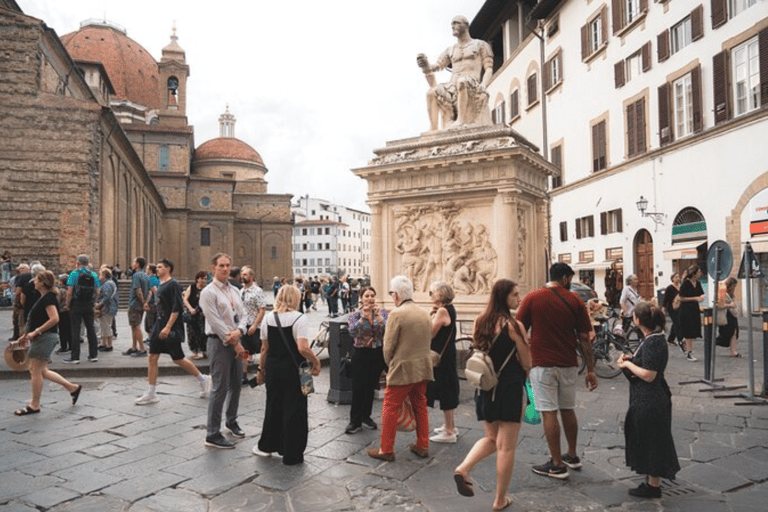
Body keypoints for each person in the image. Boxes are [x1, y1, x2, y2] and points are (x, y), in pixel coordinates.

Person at [453, 279, 532, 511]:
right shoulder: (514, 325)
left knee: (490, 438)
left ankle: (464, 468)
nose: (519, 299)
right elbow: (527, 362)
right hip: (509, 388)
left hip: (485, 387)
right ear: (503, 297)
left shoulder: (480, 320)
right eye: (515, 295)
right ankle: (499, 499)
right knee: (506, 447)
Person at [516, 262, 597, 480]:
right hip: (569, 364)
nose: (570, 282)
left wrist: (527, 345)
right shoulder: (575, 300)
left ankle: (557, 464)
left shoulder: (533, 297)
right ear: (564, 278)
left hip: (542, 364)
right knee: (568, 409)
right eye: (570, 278)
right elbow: (584, 337)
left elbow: (517, 327)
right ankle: (571, 455)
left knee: (548, 412)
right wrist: (590, 370)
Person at [617, 301, 680, 498]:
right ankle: (652, 482)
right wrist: (631, 359)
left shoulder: (653, 341)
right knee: (649, 437)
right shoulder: (653, 337)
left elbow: (649, 374)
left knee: (652, 440)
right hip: (650, 398)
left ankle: (653, 486)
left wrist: (627, 366)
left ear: (638, 320)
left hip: (650, 399)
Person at [253, 285, 322, 465]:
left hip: (274, 369)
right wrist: (316, 361)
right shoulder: (300, 318)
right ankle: (292, 453)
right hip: (296, 369)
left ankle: (267, 445)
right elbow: (303, 348)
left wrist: (261, 370)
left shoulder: (268, 318)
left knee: (273, 406)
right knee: (296, 410)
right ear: (296, 299)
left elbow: (264, 349)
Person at [367, 275, 433, 462]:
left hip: (402, 369)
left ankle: (386, 449)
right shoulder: (424, 312)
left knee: (390, 406)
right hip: (423, 367)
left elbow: (388, 347)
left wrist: (390, 364)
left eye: (391, 293)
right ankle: (423, 445)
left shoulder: (397, 314)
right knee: (420, 405)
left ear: (396, 294)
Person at [135, 259, 212, 405]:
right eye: (157, 267)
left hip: (170, 328)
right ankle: (151, 392)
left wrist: (168, 326)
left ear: (168, 268)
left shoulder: (173, 285)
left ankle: (203, 379)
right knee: (152, 357)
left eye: (160, 267)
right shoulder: (161, 284)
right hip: (159, 325)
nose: (157, 269)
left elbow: (177, 307)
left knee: (178, 359)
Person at [10, 270, 82, 415]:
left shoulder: (48, 298)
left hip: (44, 338)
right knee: (42, 370)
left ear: (42, 282)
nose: (34, 282)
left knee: (35, 371)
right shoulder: (44, 297)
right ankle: (73, 388)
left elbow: (54, 319)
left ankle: (34, 405)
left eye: (36, 279)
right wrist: (22, 337)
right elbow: (36, 320)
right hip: (43, 337)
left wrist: (36, 332)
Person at [199, 253, 249, 449]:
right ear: (213, 268)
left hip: (235, 338)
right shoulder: (208, 292)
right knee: (219, 387)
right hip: (219, 342)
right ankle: (212, 433)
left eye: (228, 265)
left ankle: (231, 420)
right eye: (221, 266)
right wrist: (234, 341)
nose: (226, 269)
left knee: (236, 384)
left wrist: (240, 331)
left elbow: (243, 314)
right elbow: (215, 322)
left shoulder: (235, 290)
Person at [416, 15, 493, 131]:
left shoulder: (480, 45)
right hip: (452, 86)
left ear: (466, 25)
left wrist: (484, 84)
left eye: (456, 23)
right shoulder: (450, 50)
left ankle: (460, 120)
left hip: (472, 82)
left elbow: (488, 68)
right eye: (452, 24)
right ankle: (433, 127)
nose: (453, 26)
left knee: (462, 82)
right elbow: (436, 66)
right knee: (431, 92)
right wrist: (425, 64)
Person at [345, 286, 388, 434]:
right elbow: (352, 332)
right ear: (361, 298)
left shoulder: (382, 313)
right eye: (367, 296)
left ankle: (366, 416)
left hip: (376, 353)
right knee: (358, 387)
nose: (370, 298)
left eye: (372, 296)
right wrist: (363, 317)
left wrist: (380, 319)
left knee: (370, 387)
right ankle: (354, 421)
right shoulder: (354, 315)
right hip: (360, 353)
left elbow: (385, 332)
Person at [427, 280, 460, 444]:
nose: (430, 295)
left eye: (432, 292)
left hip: (441, 356)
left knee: (445, 389)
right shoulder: (449, 309)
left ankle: (448, 431)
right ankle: (450, 426)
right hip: (447, 354)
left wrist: (430, 315)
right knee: (447, 387)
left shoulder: (441, 311)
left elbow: (431, 333)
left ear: (440, 294)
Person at [63, 255, 100, 364]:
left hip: (76, 304)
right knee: (91, 329)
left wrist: (68, 305)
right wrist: (94, 302)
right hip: (89, 304)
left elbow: (69, 292)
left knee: (75, 330)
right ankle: (93, 355)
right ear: (88, 263)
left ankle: (75, 357)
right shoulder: (93, 274)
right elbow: (97, 291)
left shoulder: (74, 274)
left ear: (77, 263)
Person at [240, 265, 267, 385]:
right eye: (242, 274)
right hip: (244, 326)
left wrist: (255, 325)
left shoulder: (257, 291)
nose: (242, 276)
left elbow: (262, 309)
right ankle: (244, 375)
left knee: (262, 349)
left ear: (251, 277)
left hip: (255, 326)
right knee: (244, 351)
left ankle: (264, 371)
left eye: (245, 274)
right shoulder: (241, 291)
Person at [678, 264, 704, 362]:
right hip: (686, 309)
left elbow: (699, 294)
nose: (701, 273)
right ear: (694, 273)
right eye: (699, 271)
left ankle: (684, 342)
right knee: (689, 331)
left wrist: (699, 299)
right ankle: (689, 352)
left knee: (693, 331)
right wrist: (695, 298)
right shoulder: (685, 283)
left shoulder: (698, 283)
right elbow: (681, 298)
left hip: (694, 309)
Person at [125, 257, 150, 357]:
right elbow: (148, 292)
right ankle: (134, 347)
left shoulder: (136, 275)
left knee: (136, 326)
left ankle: (142, 349)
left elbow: (138, 290)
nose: (132, 263)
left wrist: (142, 302)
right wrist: (145, 303)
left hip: (135, 304)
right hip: (140, 304)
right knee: (134, 326)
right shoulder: (146, 275)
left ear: (138, 264)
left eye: (134, 262)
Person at [183, 271, 208, 360]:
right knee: (192, 333)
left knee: (203, 333)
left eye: (205, 279)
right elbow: (185, 299)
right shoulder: (192, 287)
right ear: (198, 279)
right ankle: (195, 351)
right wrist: (190, 309)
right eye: (202, 278)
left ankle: (203, 350)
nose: (203, 281)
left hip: (203, 314)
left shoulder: (207, 289)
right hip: (193, 313)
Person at [716, 277, 741, 357]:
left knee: (734, 332)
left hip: (732, 314)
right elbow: (719, 305)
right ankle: (712, 343)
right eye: (734, 286)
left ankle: (733, 351)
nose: (734, 288)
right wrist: (729, 305)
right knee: (727, 333)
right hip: (726, 314)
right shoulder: (722, 291)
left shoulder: (731, 293)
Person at [95, 268, 118, 352]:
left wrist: (99, 304)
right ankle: (103, 343)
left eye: (100, 274)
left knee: (107, 326)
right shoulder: (108, 283)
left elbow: (106, 297)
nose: (99, 276)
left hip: (107, 308)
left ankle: (109, 345)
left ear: (104, 276)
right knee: (103, 326)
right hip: (108, 307)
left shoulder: (108, 284)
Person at [661, 273, 682, 347]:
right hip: (672, 308)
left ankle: (670, 339)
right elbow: (665, 298)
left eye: (678, 276)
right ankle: (680, 339)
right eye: (676, 277)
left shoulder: (680, 287)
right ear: (672, 279)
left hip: (679, 307)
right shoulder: (670, 288)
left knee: (675, 323)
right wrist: (663, 307)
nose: (678, 278)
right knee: (677, 323)